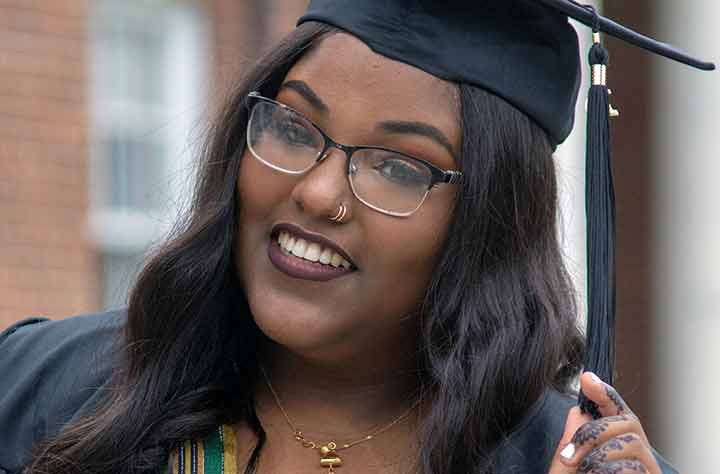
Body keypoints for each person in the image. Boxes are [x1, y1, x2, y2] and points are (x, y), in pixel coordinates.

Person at [1, 1, 713, 473]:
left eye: (399, 168)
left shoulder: (553, 460)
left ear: (490, 224)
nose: (315, 192)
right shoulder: (47, 388)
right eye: (291, 127)